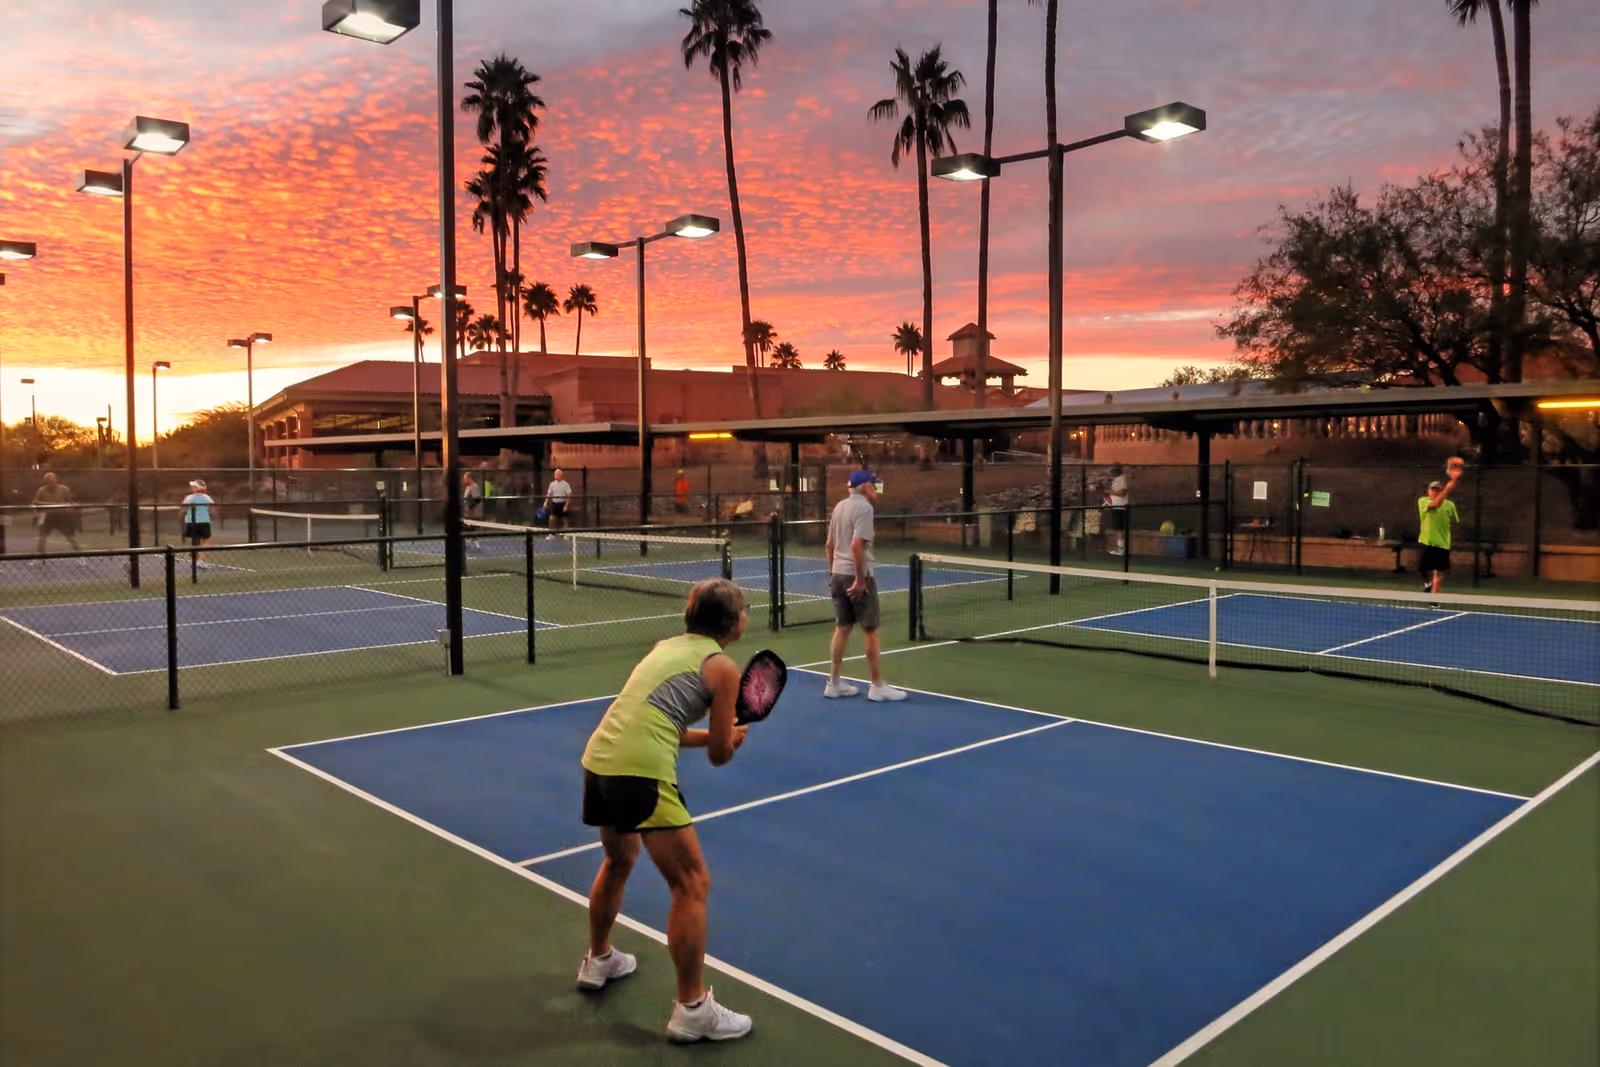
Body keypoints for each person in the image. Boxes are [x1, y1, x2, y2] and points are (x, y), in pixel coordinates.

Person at [577, 578, 754, 1043]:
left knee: (618, 860)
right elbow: (719, 755)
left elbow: (660, 723)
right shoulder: (723, 669)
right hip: (640, 771)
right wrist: (730, 738)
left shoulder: (668, 648)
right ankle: (693, 1008)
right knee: (691, 882)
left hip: (599, 760)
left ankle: (599, 959)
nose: (747, 615)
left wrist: (721, 736)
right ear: (733, 622)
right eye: (745, 609)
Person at [823, 471, 906, 702]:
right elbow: (856, 544)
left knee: (842, 627)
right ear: (864, 486)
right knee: (870, 631)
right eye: (874, 485)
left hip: (839, 575)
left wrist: (834, 572)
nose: (876, 489)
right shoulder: (865, 509)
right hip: (858, 576)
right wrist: (860, 580)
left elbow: (829, 545)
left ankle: (834, 683)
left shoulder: (839, 507)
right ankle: (877, 686)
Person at [1418, 461, 1463, 594]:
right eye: (1433, 489)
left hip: (1443, 544)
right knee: (1422, 570)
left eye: (1438, 490)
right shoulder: (1423, 501)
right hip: (1427, 541)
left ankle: (1434, 599)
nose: (1435, 492)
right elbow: (1435, 505)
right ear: (1428, 491)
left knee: (1439, 572)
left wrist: (1451, 537)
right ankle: (1428, 584)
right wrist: (1448, 489)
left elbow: (1455, 521)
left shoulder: (1450, 505)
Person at [32, 472, 81, 553]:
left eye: (52, 480)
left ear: (56, 480)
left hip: (61, 516)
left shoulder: (64, 489)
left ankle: (80, 555)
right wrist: (51, 505)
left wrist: (70, 507)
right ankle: (40, 557)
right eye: (48, 481)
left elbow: (70, 501)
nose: (51, 482)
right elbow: (35, 502)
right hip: (47, 516)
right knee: (42, 538)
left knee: (69, 536)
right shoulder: (41, 490)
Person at [180, 479, 215, 564]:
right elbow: (212, 509)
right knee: (206, 541)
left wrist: (183, 513)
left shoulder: (189, 497)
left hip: (191, 522)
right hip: (204, 521)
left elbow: (184, 509)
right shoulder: (207, 498)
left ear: (196, 488)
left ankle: (195, 555)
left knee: (195, 539)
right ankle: (200, 559)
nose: (192, 488)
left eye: (193, 486)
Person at [1105, 465, 1129, 556]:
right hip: (1116, 506)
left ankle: (1122, 549)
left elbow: (1122, 493)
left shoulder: (1122, 480)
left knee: (1120, 529)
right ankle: (1120, 548)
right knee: (1118, 529)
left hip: (1121, 507)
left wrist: (1108, 492)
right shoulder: (1116, 480)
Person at [544, 467, 573, 537]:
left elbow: (569, 495)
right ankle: (551, 534)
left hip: (562, 504)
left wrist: (566, 505)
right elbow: (549, 494)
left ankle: (565, 534)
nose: (555, 475)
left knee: (565, 520)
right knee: (551, 519)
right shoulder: (552, 484)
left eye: (556, 474)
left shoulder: (565, 484)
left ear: (560, 475)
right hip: (554, 504)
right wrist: (545, 502)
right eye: (554, 474)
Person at [462, 472, 484, 553]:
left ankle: (476, 543)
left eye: (465, 479)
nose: (464, 481)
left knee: (472, 528)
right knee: (467, 527)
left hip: (474, 512)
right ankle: (468, 543)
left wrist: (470, 508)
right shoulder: (468, 487)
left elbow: (477, 499)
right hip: (468, 512)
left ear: (469, 478)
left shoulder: (474, 487)